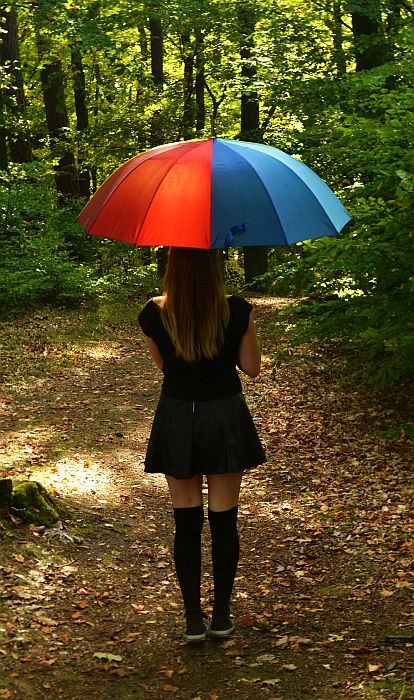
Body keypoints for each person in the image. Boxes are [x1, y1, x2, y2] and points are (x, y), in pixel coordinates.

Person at [138, 248, 265, 643]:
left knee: (186, 522)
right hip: (224, 416)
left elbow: (165, 368)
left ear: (173, 268)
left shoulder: (152, 312)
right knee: (224, 519)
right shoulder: (236, 310)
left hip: (177, 417)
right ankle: (222, 616)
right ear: (216, 267)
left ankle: (193, 619)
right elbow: (252, 368)